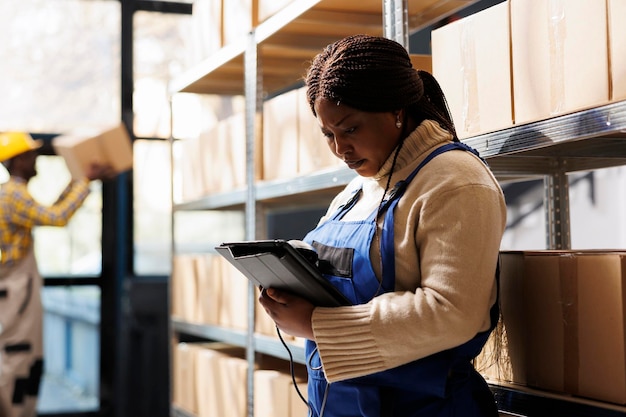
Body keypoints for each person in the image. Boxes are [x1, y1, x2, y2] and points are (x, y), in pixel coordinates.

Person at [258, 34, 507, 416]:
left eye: (351, 129)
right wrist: (294, 272)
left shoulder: (456, 180)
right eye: (328, 134)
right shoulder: (356, 191)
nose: (340, 149)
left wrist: (315, 324)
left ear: (396, 111)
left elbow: (453, 312)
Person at [0, 131, 114, 417]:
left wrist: (80, 181)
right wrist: (84, 182)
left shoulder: (15, 193)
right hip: (15, 289)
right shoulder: (13, 195)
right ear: (16, 161)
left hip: (18, 287)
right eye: (29, 155)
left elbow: (52, 209)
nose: (35, 158)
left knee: (23, 358)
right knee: (18, 358)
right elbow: (57, 217)